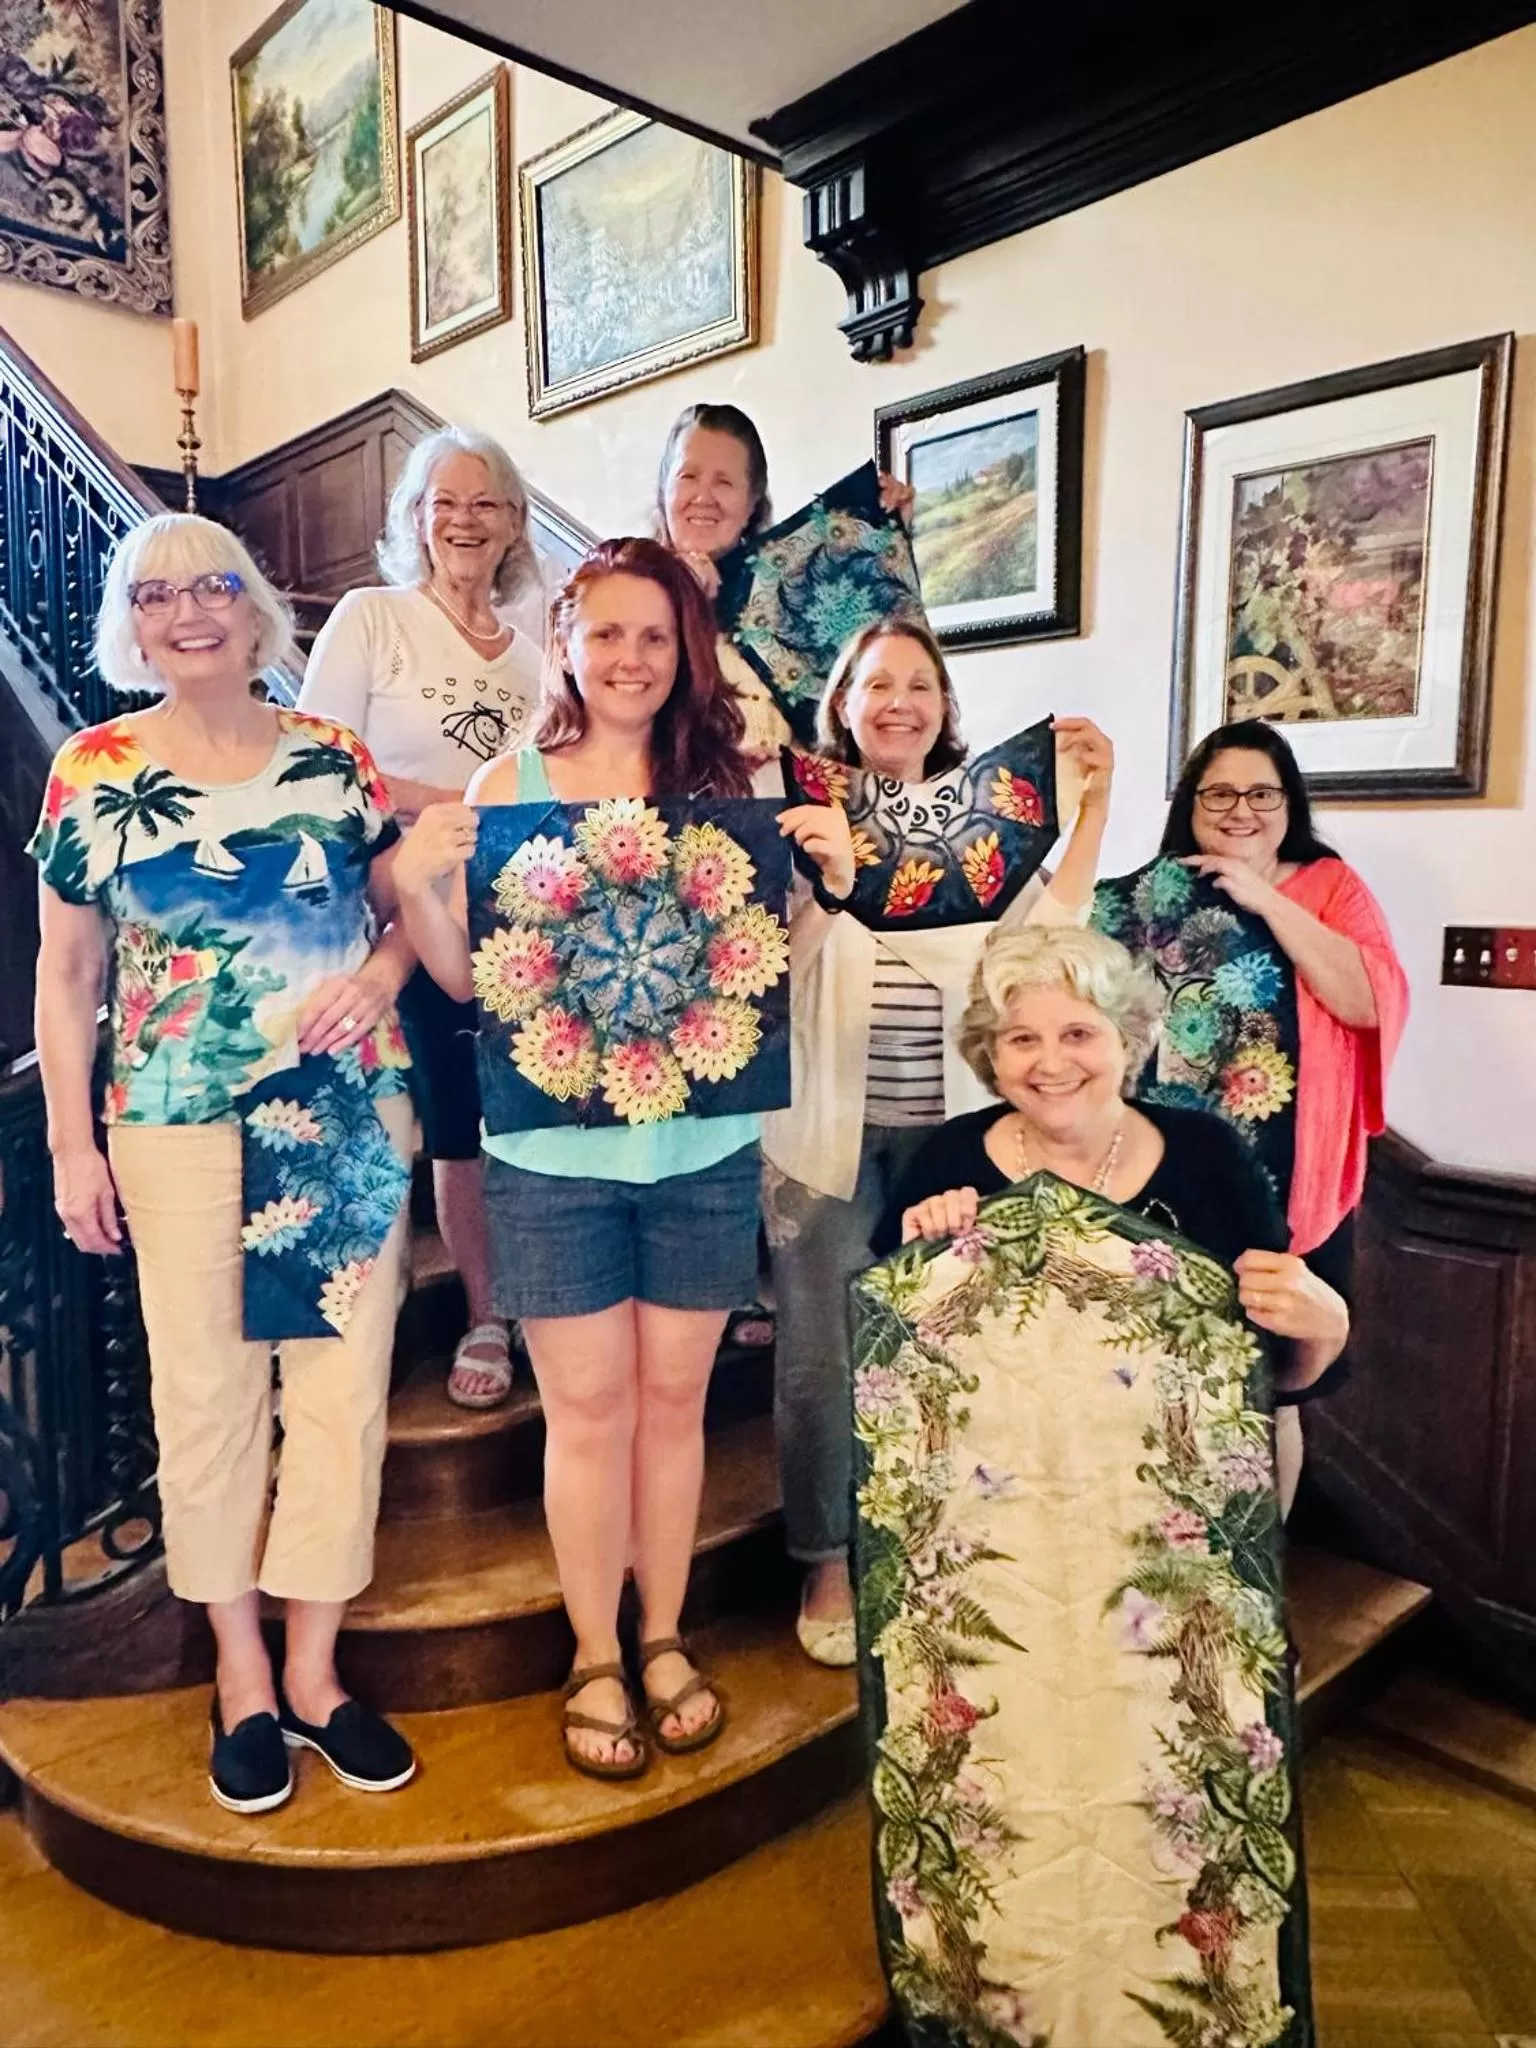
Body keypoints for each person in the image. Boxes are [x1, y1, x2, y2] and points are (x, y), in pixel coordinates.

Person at [393, 537, 857, 1780]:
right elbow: (462, 981)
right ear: (567, 642)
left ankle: (664, 1634)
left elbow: (763, 960)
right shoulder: (507, 784)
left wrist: (826, 882)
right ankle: (595, 1648)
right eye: (606, 632)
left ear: (686, 651)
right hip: (549, 1151)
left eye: (656, 635)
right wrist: (430, 891)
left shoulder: (727, 782)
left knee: (673, 1404)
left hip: (702, 1145)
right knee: (590, 1411)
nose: (631, 658)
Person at [31, 513, 417, 1816]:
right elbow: (69, 971)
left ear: (255, 611)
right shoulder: (91, 768)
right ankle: (241, 1677)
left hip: (340, 1112)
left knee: (340, 1396)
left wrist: (377, 974)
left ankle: (317, 1671)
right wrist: (70, 1141)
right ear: (131, 627)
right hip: (173, 1123)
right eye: (155, 594)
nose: (187, 609)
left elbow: (401, 925)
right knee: (207, 1401)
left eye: (213, 586)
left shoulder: (336, 761)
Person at [762, 615, 1115, 1667]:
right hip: (822, 1126)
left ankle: (939, 1539)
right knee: (821, 1351)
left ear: (944, 707)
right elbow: (760, 964)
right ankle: (828, 1552)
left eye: (921, 683)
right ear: (843, 703)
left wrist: (1092, 806)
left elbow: (1044, 937)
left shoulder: (983, 824)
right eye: (878, 684)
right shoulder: (799, 810)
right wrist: (826, 888)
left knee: (952, 1340)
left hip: (954, 1134)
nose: (900, 701)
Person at [300, 426, 546, 1408]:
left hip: (518, 910)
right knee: (454, 1119)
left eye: (485, 502)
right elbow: (321, 761)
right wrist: (451, 803)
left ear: (517, 522)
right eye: (444, 501)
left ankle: (537, 1294)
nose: (464, 519)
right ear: (413, 516)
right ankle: (487, 1310)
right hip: (401, 906)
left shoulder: (535, 656)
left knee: (525, 1114)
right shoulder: (372, 618)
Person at [880, 925, 1350, 1399]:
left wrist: (1327, 1333)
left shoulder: (1209, 1155)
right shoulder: (948, 1157)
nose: (1052, 1063)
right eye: (1022, 1039)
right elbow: (899, 1369)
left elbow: (1266, 1385)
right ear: (992, 1057)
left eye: (1078, 1034)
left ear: (1126, 1040)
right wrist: (917, 1269)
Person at [1158, 718, 1407, 1505]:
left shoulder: (1332, 885)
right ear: (1190, 805)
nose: (1241, 810)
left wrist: (1264, 896)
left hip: (1295, 1180)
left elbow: (1369, 999)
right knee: (1167, 1382)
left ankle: (1256, 1579)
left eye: (1262, 792)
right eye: (1219, 792)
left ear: (1289, 802)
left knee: (1274, 1395)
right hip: (1175, 1179)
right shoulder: (1158, 895)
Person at [653, 402, 915, 764]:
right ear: (663, 489)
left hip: (797, 812)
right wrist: (678, 600)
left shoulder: (794, 586)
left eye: (725, 481)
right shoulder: (622, 592)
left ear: (751, 505)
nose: (704, 497)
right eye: (688, 476)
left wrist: (886, 545)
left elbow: (855, 718)